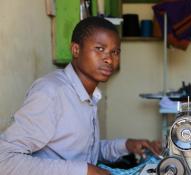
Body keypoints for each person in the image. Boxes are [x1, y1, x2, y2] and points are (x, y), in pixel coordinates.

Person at [0, 17, 161, 175]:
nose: (109, 59)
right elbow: (5, 160)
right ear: (76, 50)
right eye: (99, 49)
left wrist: (126, 145)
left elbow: (86, 151)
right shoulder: (52, 91)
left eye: (115, 52)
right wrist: (85, 171)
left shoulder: (90, 96)